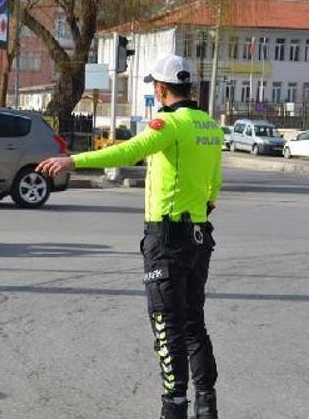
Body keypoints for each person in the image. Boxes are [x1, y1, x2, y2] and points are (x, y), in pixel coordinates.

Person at [36, 54, 223, 419]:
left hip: (167, 236)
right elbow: (214, 188)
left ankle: (174, 409)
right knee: (192, 324)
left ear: (161, 88)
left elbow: (130, 150)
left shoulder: (170, 124)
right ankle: (207, 405)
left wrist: (72, 161)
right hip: (199, 235)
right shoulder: (209, 127)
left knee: (166, 325)